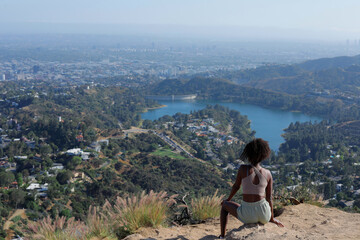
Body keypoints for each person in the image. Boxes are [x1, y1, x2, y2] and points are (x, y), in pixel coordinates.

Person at [219, 138, 284, 238]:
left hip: (247, 215)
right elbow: (269, 198)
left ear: (248, 154)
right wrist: (271, 218)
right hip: (264, 215)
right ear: (264, 155)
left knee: (225, 206)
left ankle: (222, 236)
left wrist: (227, 200)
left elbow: (236, 186)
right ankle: (268, 217)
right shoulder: (268, 173)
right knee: (263, 203)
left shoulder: (243, 169)